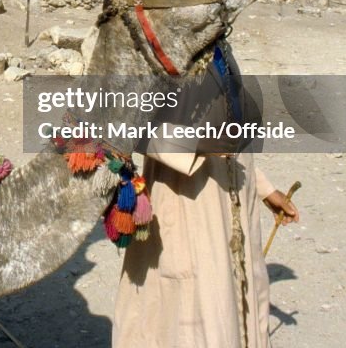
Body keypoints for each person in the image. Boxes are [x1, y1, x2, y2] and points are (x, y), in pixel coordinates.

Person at [113, 46, 301, 348]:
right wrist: (196, 144)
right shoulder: (155, 40)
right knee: (189, 319)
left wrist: (264, 188)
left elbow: (233, 132)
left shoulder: (220, 47)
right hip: (184, 201)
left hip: (231, 201)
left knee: (235, 308)